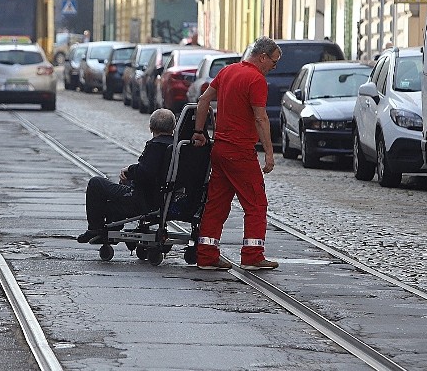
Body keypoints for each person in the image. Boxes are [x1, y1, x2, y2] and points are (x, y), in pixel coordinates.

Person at [191, 36, 281, 270]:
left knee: (217, 204)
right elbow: (261, 118)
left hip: (220, 150)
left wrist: (199, 131)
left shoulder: (228, 71)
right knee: (256, 203)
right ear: (262, 57)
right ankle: (252, 255)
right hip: (240, 152)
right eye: (273, 61)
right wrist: (269, 153)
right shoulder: (256, 80)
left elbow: (203, 101)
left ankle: (206, 255)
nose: (274, 67)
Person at [77, 109, 176, 244]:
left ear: (151, 127)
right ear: (173, 128)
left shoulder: (156, 146)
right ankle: (112, 227)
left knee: (96, 183)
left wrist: (129, 170)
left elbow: (145, 173)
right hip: (166, 198)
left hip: (144, 199)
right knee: (122, 187)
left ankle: (96, 228)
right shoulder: (178, 147)